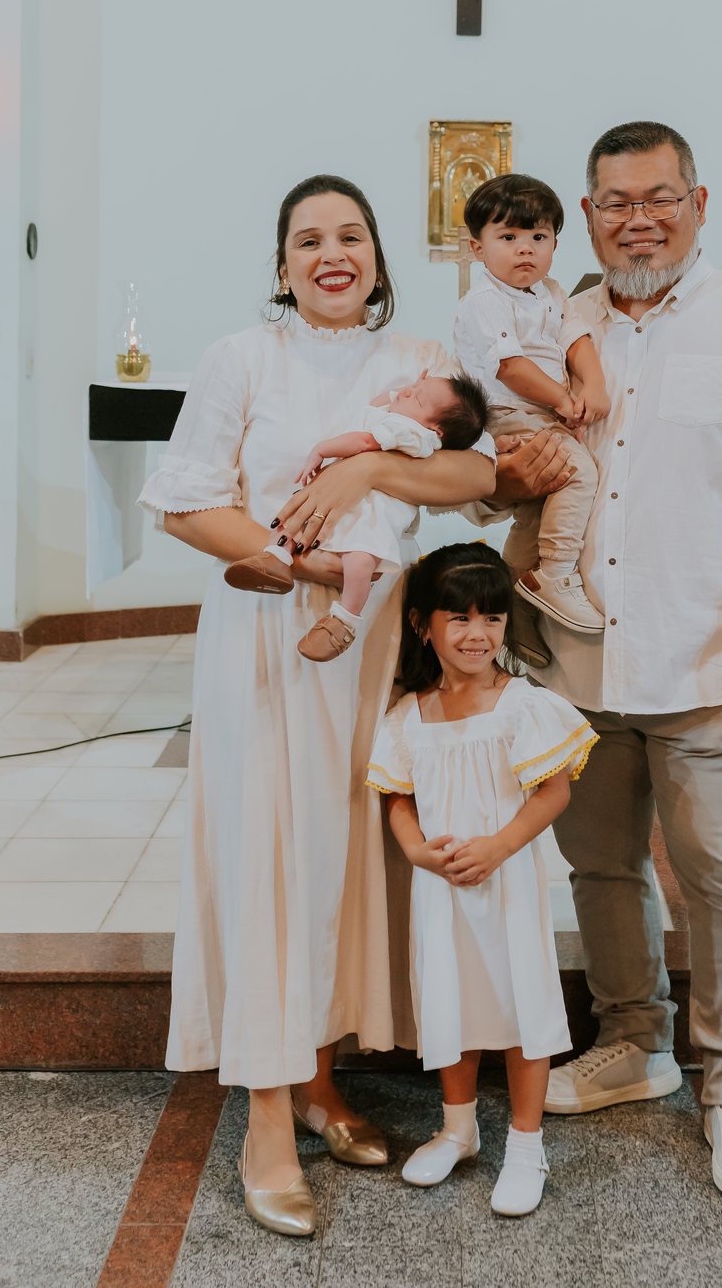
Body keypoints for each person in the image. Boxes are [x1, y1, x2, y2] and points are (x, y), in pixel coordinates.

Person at [475, 121, 722, 1203]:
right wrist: (502, 475)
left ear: (700, 199)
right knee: (599, 864)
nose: (637, 217)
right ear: (586, 214)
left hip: (707, 655)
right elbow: (501, 457)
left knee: (720, 872)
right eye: (614, 201)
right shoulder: (557, 323)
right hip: (574, 663)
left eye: (659, 196)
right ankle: (633, 1042)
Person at [138, 174, 495, 1238]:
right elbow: (185, 500)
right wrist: (308, 569)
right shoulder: (242, 359)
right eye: (308, 239)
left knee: (343, 864)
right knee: (268, 865)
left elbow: (478, 472)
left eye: (350, 235)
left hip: (375, 647)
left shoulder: (418, 359)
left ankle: (321, 1081)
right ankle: (261, 1116)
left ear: (379, 257)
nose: (331, 253)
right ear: (283, 263)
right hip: (270, 641)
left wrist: (369, 469)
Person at [368, 544, 597, 1217]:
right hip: (441, 890)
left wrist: (498, 846)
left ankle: (526, 1146)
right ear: (422, 625)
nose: (477, 635)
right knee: (452, 999)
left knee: (520, 1002)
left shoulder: (521, 705)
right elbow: (397, 796)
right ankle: (458, 1128)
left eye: (491, 619)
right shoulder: (409, 713)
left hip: (506, 885)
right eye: (459, 618)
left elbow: (553, 792)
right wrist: (415, 851)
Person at [221, 369, 488, 661]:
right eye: (412, 386)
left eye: (418, 398)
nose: (406, 391)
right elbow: (378, 402)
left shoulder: (414, 434)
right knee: (295, 515)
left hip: (370, 514)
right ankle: (275, 559)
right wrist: (416, 390)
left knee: (360, 560)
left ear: (437, 430)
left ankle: (345, 618)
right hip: (345, 502)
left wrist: (322, 450)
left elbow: (363, 442)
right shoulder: (397, 416)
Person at [454, 173, 609, 634]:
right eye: (509, 237)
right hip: (506, 413)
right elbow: (511, 368)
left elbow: (574, 338)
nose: (526, 248)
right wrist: (564, 399)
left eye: (538, 237)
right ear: (477, 248)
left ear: (555, 245)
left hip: (541, 410)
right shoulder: (484, 299)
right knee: (578, 474)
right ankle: (555, 575)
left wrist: (594, 384)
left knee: (539, 508)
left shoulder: (551, 292)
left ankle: (514, 609)